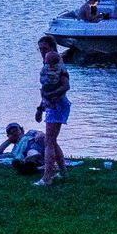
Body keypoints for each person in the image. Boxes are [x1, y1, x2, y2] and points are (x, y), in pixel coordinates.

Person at [33, 34, 69, 187]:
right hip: (50, 106)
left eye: (45, 49)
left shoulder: (58, 65)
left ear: (53, 49)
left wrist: (50, 95)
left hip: (58, 105)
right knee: (52, 140)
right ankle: (63, 172)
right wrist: (41, 108)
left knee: (48, 141)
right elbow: (46, 88)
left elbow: (65, 86)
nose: (42, 52)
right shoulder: (48, 65)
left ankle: (47, 177)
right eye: (40, 49)